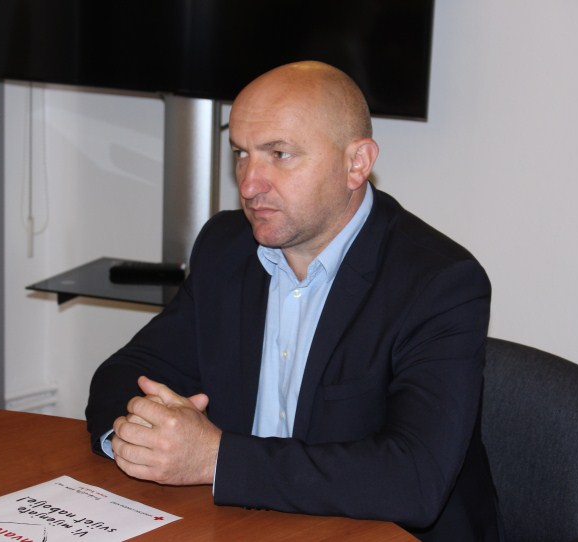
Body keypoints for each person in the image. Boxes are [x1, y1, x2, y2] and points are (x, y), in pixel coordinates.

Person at [86, 61, 503, 541]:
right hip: (248, 526)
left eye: (279, 154)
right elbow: (126, 372)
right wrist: (143, 439)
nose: (248, 185)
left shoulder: (438, 282)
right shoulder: (226, 247)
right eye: (241, 153)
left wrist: (214, 459)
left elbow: (413, 478)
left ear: (357, 163)